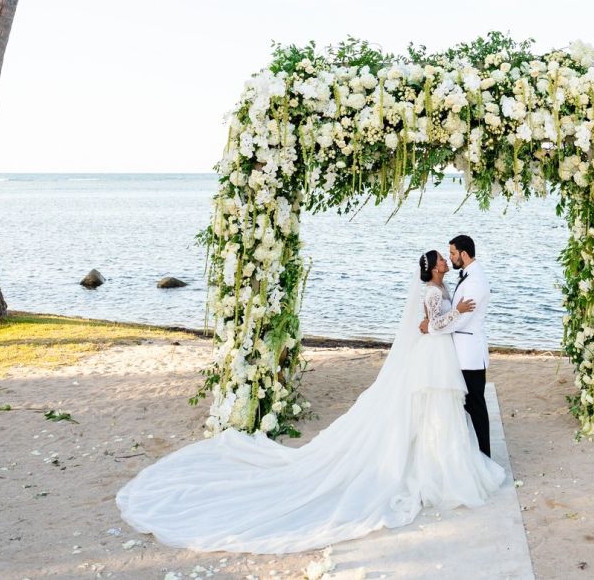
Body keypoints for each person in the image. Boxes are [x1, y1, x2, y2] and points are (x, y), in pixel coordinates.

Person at [114, 249, 505, 555]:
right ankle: (437, 466)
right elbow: (433, 323)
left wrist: (443, 316)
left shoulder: (438, 288)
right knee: (432, 410)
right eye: (441, 257)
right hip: (431, 359)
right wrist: (454, 313)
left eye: (446, 255)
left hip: (435, 357)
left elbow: (429, 323)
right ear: (435, 268)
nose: (444, 259)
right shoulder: (435, 290)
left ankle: (436, 460)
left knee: (435, 413)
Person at [419, 233, 491, 456]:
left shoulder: (476, 281)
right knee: (464, 405)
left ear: (464, 253)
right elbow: (450, 312)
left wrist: (430, 327)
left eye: (451, 253)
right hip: (457, 352)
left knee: (475, 405)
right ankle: (464, 452)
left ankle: (484, 454)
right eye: (446, 255)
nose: (449, 258)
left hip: (469, 353)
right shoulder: (466, 277)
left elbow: (461, 318)